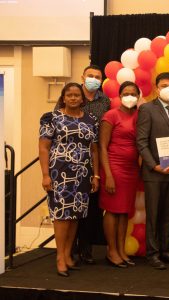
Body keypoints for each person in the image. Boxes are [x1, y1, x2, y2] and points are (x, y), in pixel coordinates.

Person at [39, 82, 99, 277]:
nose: (73, 98)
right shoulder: (52, 118)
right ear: (63, 98)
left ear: (82, 98)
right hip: (60, 173)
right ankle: (59, 257)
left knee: (75, 216)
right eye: (69, 95)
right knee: (62, 215)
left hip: (82, 174)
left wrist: (95, 175)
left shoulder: (91, 119)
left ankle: (67, 254)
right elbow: (44, 148)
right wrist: (46, 175)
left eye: (76, 95)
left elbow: (94, 149)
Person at [55, 65, 111, 264]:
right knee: (65, 213)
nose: (94, 79)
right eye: (90, 76)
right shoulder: (70, 95)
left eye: (97, 77)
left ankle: (84, 250)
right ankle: (66, 253)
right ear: (83, 77)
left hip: (89, 163)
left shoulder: (105, 101)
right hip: (63, 166)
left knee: (87, 210)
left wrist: (97, 172)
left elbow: (100, 136)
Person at [136, 72, 169, 270]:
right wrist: (154, 165)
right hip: (154, 172)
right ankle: (152, 253)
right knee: (154, 213)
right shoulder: (147, 109)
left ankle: (166, 250)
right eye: (164, 85)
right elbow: (141, 142)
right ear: (157, 88)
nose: (168, 88)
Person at [99, 81, 140, 268]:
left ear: (138, 96)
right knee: (112, 210)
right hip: (113, 167)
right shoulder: (111, 115)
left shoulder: (141, 115)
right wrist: (107, 174)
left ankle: (121, 250)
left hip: (132, 169)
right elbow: (102, 146)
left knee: (125, 212)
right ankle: (111, 251)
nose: (129, 96)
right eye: (126, 93)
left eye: (133, 93)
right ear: (120, 96)